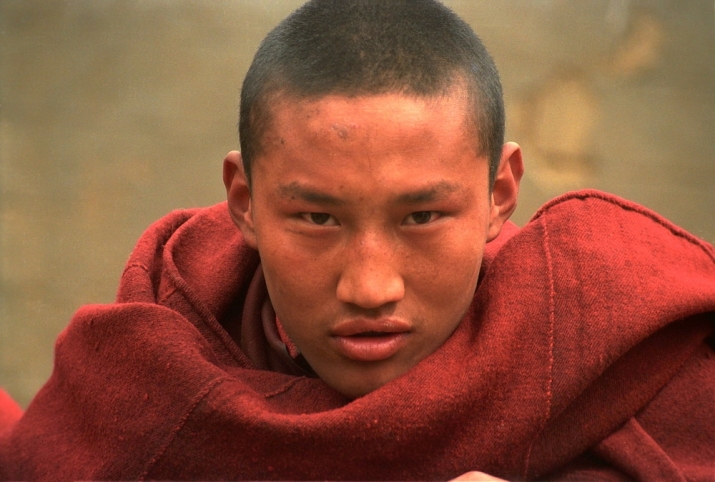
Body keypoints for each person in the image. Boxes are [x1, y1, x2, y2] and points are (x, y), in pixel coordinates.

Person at [1, 1, 714, 480]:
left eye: (422, 218)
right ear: (243, 202)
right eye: (316, 220)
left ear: (500, 195)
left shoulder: (617, 342)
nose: (370, 288)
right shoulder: (143, 375)